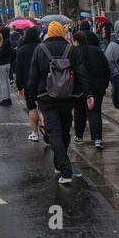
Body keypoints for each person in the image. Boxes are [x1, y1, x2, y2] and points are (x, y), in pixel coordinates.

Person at [29, 20, 85, 185]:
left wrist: (31, 99)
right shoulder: (70, 49)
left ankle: (65, 169)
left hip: (47, 96)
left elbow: (33, 76)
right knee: (65, 130)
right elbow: (81, 72)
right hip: (68, 96)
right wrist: (85, 93)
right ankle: (60, 163)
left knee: (53, 131)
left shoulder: (40, 49)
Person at [70, 27, 110, 150]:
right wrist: (105, 84)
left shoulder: (74, 52)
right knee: (95, 112)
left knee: (79, 112)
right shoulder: (97, 51)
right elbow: (106, 68)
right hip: (97, 87)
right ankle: (97, 139)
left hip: (79, 88)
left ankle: (79, 136)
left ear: (76, 41)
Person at [14, 27, 43, 142]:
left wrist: (19, 86)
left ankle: (35, 133)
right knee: (43, 107)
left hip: (28, 83)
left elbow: (18, 69)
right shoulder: (41, 48)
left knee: (31, 107)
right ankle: (46, 126)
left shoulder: (22, 50)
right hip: (42, 83)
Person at [0, 25, 15, 107]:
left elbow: (1, 53)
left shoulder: (6, 42)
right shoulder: (7, 41)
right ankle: (8, 98)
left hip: (3, 64)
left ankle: (5, 98)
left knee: (3, 83)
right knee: (6, 82)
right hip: (6, 63)